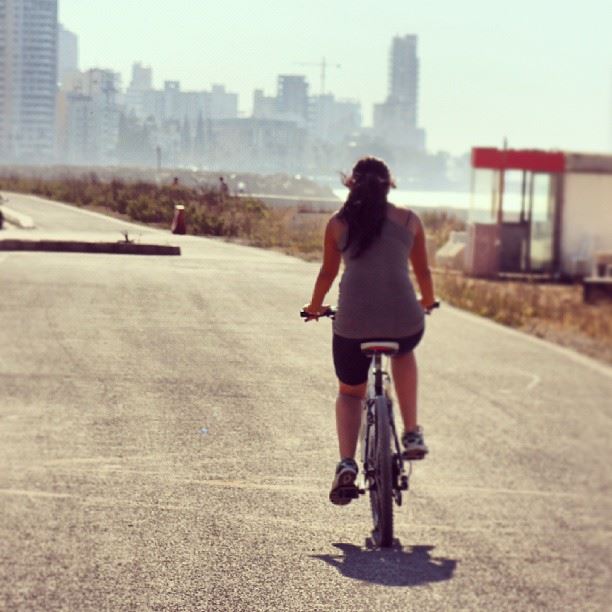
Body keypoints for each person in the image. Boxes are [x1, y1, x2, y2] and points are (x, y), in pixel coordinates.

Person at [303, 156, 437, 505]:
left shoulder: (337, 223)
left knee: (350, 392)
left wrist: (315, 308)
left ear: (351, 184)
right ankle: (410, 434)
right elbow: (423, 274)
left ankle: (347, 463)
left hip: (353, 324)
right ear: (389, 184)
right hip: (404, 318)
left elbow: (327, 274)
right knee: (404, 351)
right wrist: (428, 301)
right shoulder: (409, 219)